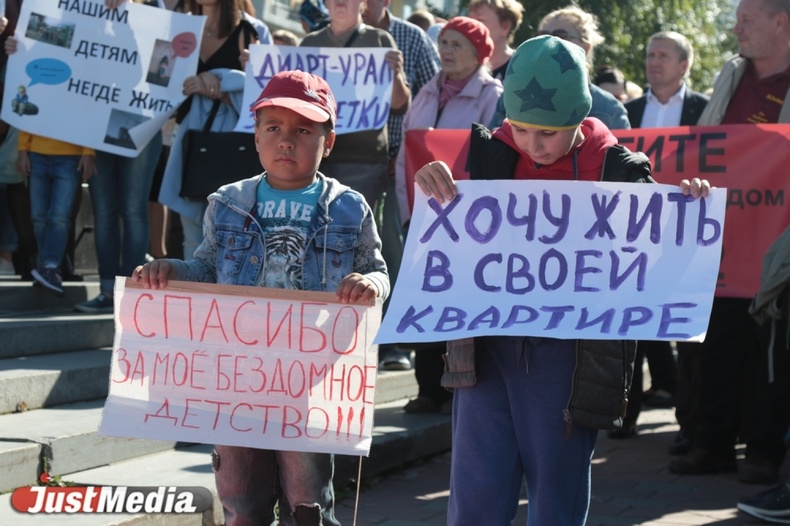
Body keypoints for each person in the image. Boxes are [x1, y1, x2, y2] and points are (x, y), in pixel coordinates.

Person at [413, 35, 710, 526]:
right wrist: (435, 180)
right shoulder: (490, 152)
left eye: (548, 133)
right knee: (476, 488)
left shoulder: (619, 170)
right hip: (485, 350)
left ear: (578, 117)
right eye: (521, 128)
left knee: (556, 489)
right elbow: (455, 239)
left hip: (569, 358)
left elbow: (656, 260)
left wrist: (688, 211)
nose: (533, 144)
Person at [132, 70, 389, 526]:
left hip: (310, 380)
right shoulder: (227, 203)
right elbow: (207, 268)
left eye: (303, 130)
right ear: (255, 137)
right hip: (237, 379)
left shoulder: (350, 207)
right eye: (273, 127)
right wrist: (172, 270)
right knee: (240, 496)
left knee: (307, 501)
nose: (285, 140)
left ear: (328, 142)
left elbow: (377, 271)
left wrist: (370, 285)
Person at [668, 0, 790, 484]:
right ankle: (712, 445)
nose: (736, 28)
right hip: (726, 236)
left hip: (779, 240)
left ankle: (764, 452)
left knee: (772, 349)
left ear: (781, 23)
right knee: (717, 342)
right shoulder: (730, 76)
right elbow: (705, 145)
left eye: (746, 19)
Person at [394, 16, 501, 412]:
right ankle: (428, 389)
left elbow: (490, 155)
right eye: (444, 42)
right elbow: (405, 156)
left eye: (457, 45)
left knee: (461, 298)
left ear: (479, 54)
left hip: (467, 220)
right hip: (423, 216)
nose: (446, 50)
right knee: (425, 295)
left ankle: (460, 388)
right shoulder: (425, 92)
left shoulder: (491, 96)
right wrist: (408, 211)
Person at [613, 30, 710, 441]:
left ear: (684, 64)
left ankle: (688, 424)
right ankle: (624, 414)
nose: (653, 62)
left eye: (663, 56)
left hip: (687, 230)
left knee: (686, 334)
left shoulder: (707, 110)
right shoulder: (627, 112)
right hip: (635, 231)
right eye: (650, 54)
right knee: (630, 326)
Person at [362, 0, 441, 371]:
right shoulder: (329, 40)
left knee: (395, 251)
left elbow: (435, 92)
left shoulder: (411, 38)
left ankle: (395, 341)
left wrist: (412, 152)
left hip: (400, 162)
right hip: (347, 161)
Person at [157, 0, 265, 264]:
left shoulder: (249, 31)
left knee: (235, 236)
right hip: (188, 141)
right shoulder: (179, 26)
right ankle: (195, 290)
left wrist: (220, 84)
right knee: (192, 237)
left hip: (233, 147)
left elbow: (264, 97)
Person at [300, 0, 410, 212]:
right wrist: (254, 67)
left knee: (352, 227)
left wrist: (395, 76)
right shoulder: (309, 43)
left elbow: (399, 106)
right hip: (314, 157)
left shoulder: (379, 40)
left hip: (363, 162)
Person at [488, 4, 631, 131]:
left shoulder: (610, 109)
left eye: (560, 35)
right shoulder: (512, 94)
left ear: (586, 47)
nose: (549, 43)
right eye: (543, 36)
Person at [17, 131, 95, 294]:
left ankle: (50, 266)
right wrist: (23, 150)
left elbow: (88, 119)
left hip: (71, 154)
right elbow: (27, 119)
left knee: (59, 217)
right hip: (37, 153)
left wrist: (88, 152)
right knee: (38, 217)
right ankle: (45, 269)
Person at [466, 0, 524, 81]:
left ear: (505, 27)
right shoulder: (460, 66)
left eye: (480, 21)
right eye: (469, 21)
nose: (470, 28)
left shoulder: (521, 69)